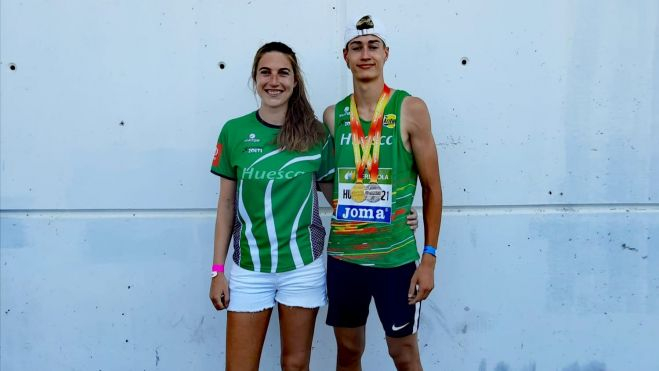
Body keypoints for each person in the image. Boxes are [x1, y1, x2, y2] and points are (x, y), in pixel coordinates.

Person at [321, 14, 443, 371]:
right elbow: (326, 176)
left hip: (395, 260)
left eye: (373, 46)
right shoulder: (332, 115)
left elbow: (433, 188)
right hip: (344, 257)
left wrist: (430, 258)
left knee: (403, 353)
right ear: (345, 56)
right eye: (356, 47)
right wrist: (344, 204)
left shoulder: (411, 108)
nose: (365, 54)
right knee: (347, 352)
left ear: (386, 53)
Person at [208, 41, 335, 371]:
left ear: (295, 81)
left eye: (283, 73)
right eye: (266, 72)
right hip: (249, 269)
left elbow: (337, 197)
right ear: (255, 78)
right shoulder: (234, 131)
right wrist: (218, 271)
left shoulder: (316, 135)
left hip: (302, 268)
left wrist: (389, 215)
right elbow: (225, 205)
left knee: (295, 366)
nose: (274, 81)